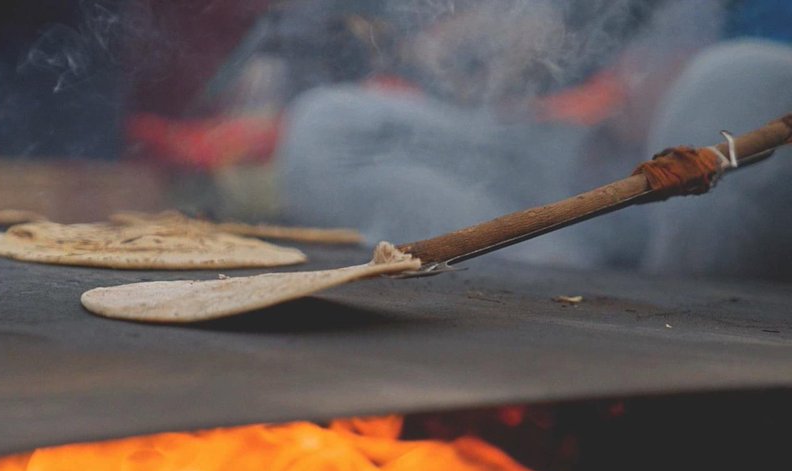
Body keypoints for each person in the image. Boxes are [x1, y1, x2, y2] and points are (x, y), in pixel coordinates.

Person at [277, 0, 792, 281]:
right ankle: (550, 276)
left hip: (726, 171)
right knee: (332, 125)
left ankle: (673, 325)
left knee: (740, 79)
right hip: (579, 154)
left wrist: (649, 92)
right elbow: (562, 49)